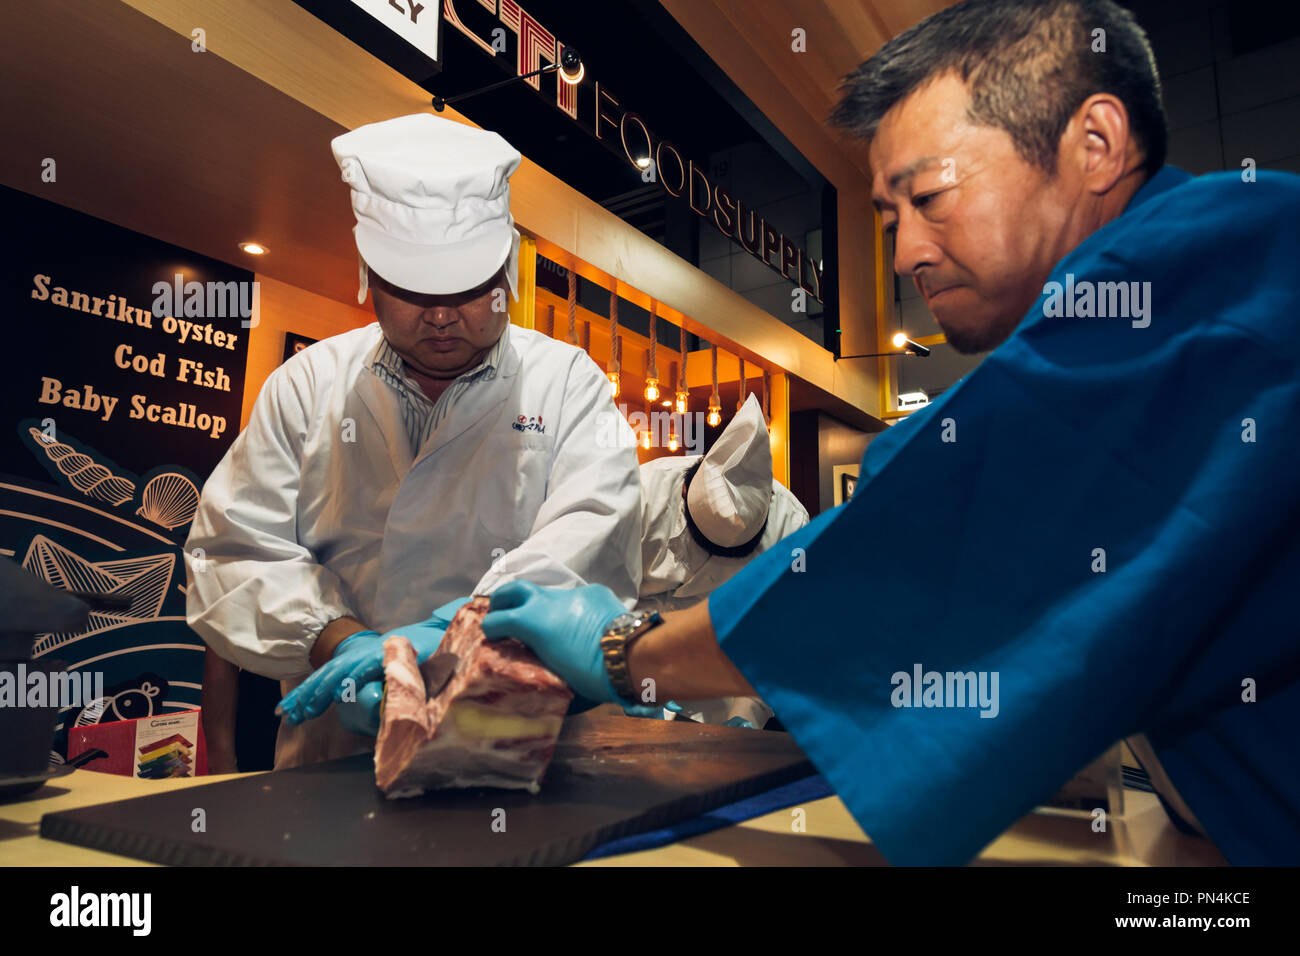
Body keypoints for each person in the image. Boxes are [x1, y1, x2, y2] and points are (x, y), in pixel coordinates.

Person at [475, 0, 1300, 865]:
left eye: (931, 198)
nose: (906, 253)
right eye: (888, 218)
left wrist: (622, 648)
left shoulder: (1237, 253)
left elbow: (932, 545)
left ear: (1093, 145)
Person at [185, 113, 642, 769]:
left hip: (521, 740)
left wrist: (454, 635)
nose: (441, 315)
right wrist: (335, 642)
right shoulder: (308, 384)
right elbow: (231, 554)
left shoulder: (566, 383)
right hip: (332, 750)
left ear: (506, 270)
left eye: (467, 287)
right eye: (413, 290)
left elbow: (593, 540)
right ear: (368, 273)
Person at [634, 394, 808, 728]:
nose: (713, 561)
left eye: (732, 555)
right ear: (685, 492)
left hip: (725, 681)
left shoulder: (791, 525)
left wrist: (746, 714)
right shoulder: (641, 496)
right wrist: (629, 686)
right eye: (704, 545)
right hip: (637, 660)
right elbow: (604, 594)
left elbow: (776, 634)